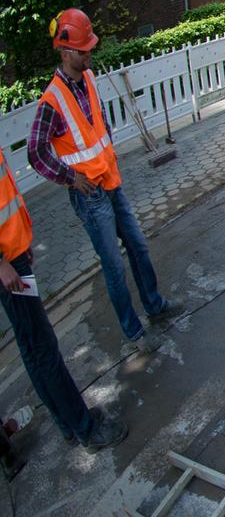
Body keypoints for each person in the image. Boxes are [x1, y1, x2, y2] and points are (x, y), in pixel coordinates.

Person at [27, 9, 181, 355]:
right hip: (90, 196)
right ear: (66, 52)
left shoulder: (90, 78)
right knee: (113, 266)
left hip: (111, 182)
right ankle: (133, 331)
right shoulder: (51, 101)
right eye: (83, 50)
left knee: (138, 247)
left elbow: (99, 125)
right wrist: (70, 177)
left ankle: (154, 305)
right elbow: (36, 153)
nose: (89, 54)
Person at [0, 149, 129, 456]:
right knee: (43, 346)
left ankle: (67, 423)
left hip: (12, 255)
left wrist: (17, 247)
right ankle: (84, 427)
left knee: (32, 347)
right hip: (6, 266)